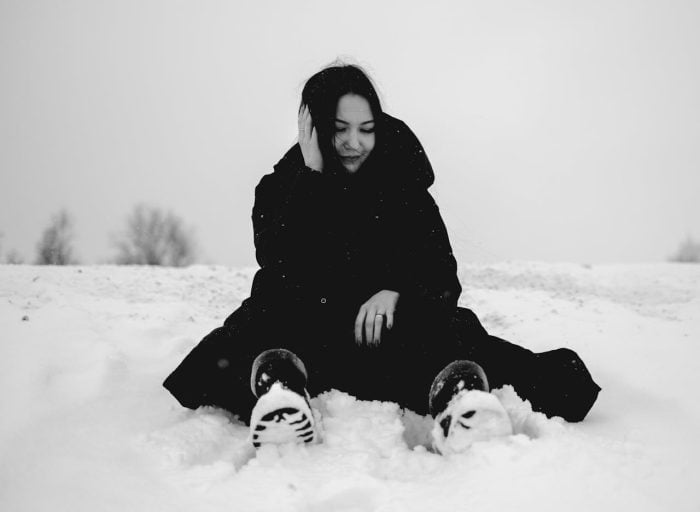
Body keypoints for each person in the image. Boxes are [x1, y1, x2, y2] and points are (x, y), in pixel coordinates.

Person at [163, 63, 601, 454]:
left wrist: (398, 292)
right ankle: (282, 396)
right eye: (339, 128)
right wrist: (312, 178)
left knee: (449, 331)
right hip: (309, 338)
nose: (354, 142)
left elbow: (441, 276)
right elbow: (281, 264)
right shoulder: (281, 187)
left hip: (392, 347)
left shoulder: (405, 186)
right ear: (313, 127)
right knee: (261, 324)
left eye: (367, 129)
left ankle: (462, 402)